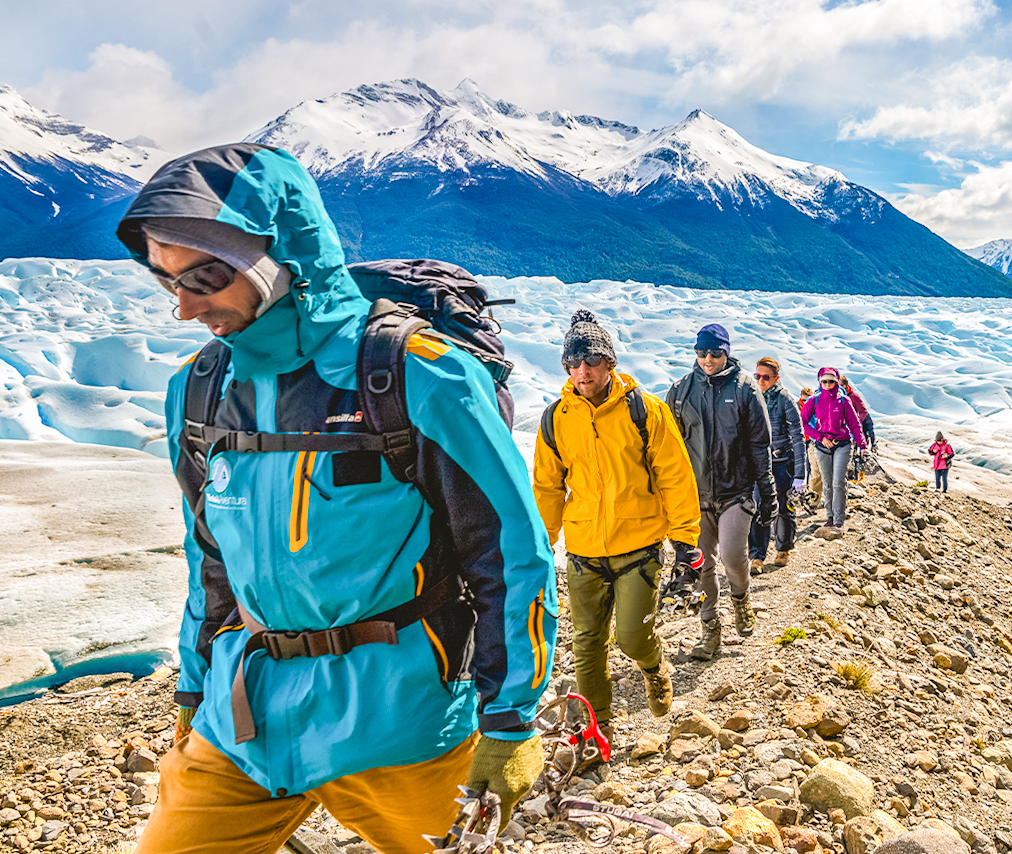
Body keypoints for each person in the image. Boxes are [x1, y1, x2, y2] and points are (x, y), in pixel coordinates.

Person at [117, 144, 556, 853]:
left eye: (204, 275)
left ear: (278, 256)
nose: (185, 307)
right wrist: (193, 693)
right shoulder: (198, 391)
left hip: (400, 725)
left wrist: (509, 719)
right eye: (169, 282)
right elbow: (214, 566)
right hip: (243, 729)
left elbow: (507, 549)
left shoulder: (416, 373)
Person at [533, 310, 701, 742]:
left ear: (610, 362)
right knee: (586, 644)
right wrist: (538, 545)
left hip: (638, 545)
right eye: (574, 363)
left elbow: (674, 475)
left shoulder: (645, 410)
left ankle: (652, 665)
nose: (582, 371)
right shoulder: (556, 418)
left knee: (631, 636)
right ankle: (595, 731)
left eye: (591, 361)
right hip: (584, 547)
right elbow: (548, 488)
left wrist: (685, 540)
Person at [666, 324, 776, 659]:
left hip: (735, 492)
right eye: (701, 353)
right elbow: (668, 447)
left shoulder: (744, 390)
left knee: (731, 556)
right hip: (695, 496)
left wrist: (767, 492)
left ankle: (741, 598)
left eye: (714, 352)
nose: (708, 359)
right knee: (702, 566)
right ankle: (709, 629)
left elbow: (760, 445)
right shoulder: (681, 391)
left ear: (726, 351)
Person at [748, 357, 806, 571]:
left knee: (783, 506)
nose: (761, 380)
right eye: (757, 376)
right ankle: (757, 556)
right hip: (759, 464)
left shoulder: (785, 400)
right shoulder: (752, 397)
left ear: (776, 378)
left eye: (766, 377)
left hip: (782, 462)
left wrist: (800, 474)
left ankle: (783, 548)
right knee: (757, 507)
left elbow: (798, 436)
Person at [801, 368, 866, 538]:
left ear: (836, 382)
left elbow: (855, 425)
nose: (828, 385)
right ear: (819, 382)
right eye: (824, 382)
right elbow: (803, 422)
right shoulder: (814, 401)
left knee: (839, 482)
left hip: (842, 444)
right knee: (827, 482)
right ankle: (829, 517)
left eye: (831, 382)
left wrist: (862, 444)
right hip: (822, 446)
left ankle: (839, 520)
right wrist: (819, 437)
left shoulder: (844, 401)